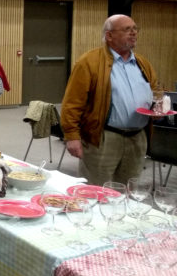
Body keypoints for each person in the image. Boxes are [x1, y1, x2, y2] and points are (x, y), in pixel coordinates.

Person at [60, 14, 159, 185]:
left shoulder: (143, 63)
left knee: (128, 190)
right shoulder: (89, 62)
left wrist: (158, 107)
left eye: (135, 29)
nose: (133, 33)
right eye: (127, 29)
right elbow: (72, 103)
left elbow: (156, 91)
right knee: (95, 190)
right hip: (104, 137)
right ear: (109, 36)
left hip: (137, 138)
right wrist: (71, 136)